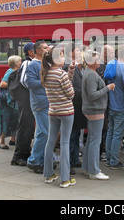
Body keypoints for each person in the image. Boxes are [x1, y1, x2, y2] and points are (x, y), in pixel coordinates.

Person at [42, 47, 77, 188]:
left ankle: (48, 174)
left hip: (53, 111)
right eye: (62, 56)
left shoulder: (46, 73)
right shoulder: (60, 74)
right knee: (64, 143)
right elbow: (70, 94)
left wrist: (71, 72)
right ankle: (65, 178)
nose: (64, 58)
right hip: (67, 112)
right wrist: (69, 78)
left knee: (50, 142)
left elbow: (63, 83)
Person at [82, 49, 115, 180]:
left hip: (92, 110)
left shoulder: (89, 73)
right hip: (95, 110)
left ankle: (87, 168)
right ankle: (94, 171)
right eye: (97, 59)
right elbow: (92, 95)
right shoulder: (91, 75)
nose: (99, 61)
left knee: (91, 139)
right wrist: (107, 88)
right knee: (95, 141)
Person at [105, 44, 124, 170]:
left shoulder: (110, 65)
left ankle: (108, 158)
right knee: (117, 135)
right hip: (121, 106)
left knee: (110, 132)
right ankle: (114, 161)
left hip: (111, 105)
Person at [26, 40, 50, 174]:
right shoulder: (33, 65)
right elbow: (29, 82)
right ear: (38, 51)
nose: (48, 49)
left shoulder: (44, 63)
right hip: (40, 104)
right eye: (46, 48)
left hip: (46, 102)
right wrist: (45, 81)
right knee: (44, 133)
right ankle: (34, 160)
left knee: (43, 132)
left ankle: (39, 159)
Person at [9, 42, 35, 166]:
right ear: (30, 52)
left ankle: (24, 153)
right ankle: (19, 156)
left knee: (28, 127)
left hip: (26, 99)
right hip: (25, 99)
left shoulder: (29, 62)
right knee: (25, 126)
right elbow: (24, 81)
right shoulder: (28, 63)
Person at [63, 43, 86, 172]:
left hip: (77, 105)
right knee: (71, 135)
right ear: (70, 52)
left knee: (76, 133)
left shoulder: (75, 66)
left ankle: (75, 158)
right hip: (73, 104)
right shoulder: (68, 66)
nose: (79, 53)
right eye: (77, 50)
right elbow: (69, 87)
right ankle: (69, 162)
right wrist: (85, 93)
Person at [0, 55, 21, 149]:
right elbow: (2, 84)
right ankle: (1, 141)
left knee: (15, 118)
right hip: (6, 101)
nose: (21, 62)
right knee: (6, 119)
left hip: (13, 100)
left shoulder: (17, 71)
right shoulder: (10, 71)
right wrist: (14, 86)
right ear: (15, 63)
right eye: (20, 61)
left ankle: (13, 139)